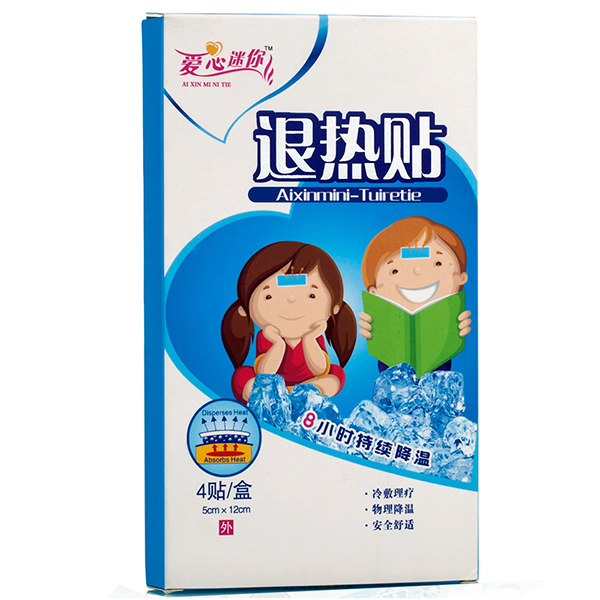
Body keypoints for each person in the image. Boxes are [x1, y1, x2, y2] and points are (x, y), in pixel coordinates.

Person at [222, 241, 357, 403]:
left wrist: (309, 339)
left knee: (336, 374)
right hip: (273, 386)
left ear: (334, 307)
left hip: (309, 383)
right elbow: (265, 373)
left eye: (311, 296)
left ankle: (303, 393)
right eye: (269, 297)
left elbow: (320, 370)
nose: (291, 301)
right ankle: (282, 395)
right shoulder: (267, 336)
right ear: (246, 309)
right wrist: (278, 344)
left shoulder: (315, 336)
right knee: (241, 376)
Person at [359, 216, 472, 372]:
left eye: (437, 263)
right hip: (392, 365)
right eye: (394, 271)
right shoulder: (383, 318)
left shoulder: (451, 314)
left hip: (439, 363)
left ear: (461, 278)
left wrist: (459, 327)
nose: (417, 272)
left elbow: (456, 334)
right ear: (374, 292)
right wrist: (373, 328)